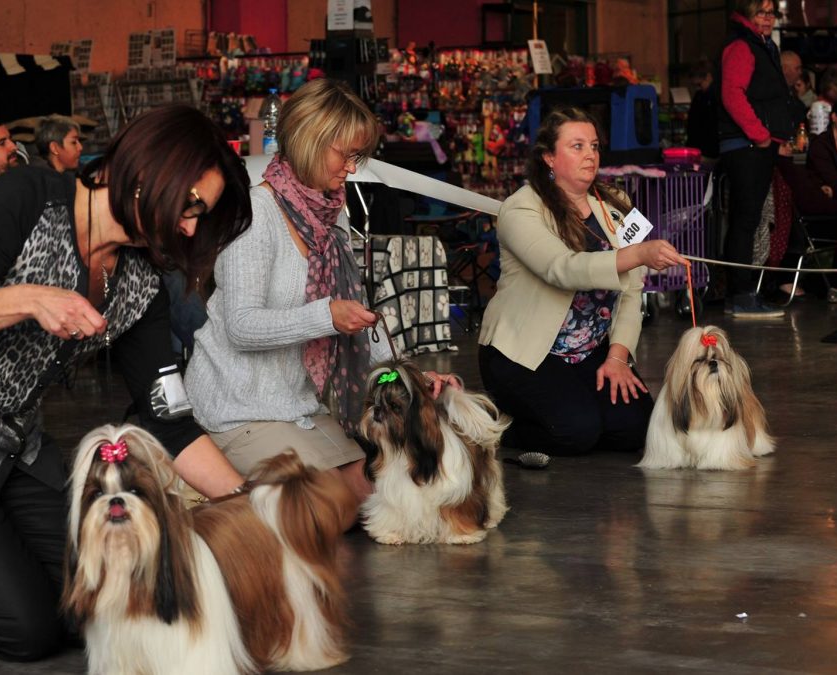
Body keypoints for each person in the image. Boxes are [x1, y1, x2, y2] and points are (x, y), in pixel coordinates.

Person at [0, 105, 253, 660]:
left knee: (92, 605)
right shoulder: (26, 200)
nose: (189, 228)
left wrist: (253, 511)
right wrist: (30, 298)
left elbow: (168, 417)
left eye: (199, 218)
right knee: (27, 629)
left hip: (11, 451)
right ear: (149, 171)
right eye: (190, 206)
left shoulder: (140, 278)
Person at [184, 78, 456, 504]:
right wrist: (326, 316)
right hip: (237, 410)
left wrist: (413, 377)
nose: (351, 167)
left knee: (375, 492)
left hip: (298, 407)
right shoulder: (255, 214)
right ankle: (204, 486)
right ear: (312, 140)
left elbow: (360, 317)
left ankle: (249, 498)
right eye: (345, 154)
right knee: (331, 506)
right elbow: (241, 326)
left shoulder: (331, 219)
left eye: (357, 156)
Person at [476, 107, 687, 457]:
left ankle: (576, 411)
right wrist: (637, 254)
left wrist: (618, 357)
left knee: (637, 429)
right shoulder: (520, 209)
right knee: (576, 433)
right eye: (577, 146)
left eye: (594, 146)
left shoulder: (615, 208)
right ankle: (496, 428)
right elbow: (561, 269)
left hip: (588, 351)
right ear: (549, 158)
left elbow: (633, 290)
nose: (590, 154)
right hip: (525, 353)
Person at [715, 0, 791, 318]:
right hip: (746, 147)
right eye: (761, 12)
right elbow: (732, 93)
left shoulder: (761, 46)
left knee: (749, 219)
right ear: (746, 14)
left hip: (756, 145)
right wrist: (760, 135)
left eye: (772, 12)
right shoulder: (741, 46)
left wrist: (771, 139)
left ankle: (743, 292)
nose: (769, 18)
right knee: (745, 220)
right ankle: (741, 294)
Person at [780, 51, 809, 132]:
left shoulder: (792, 95)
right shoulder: (774, 95)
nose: (800, 72)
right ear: (784, 69)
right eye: (797, 68)